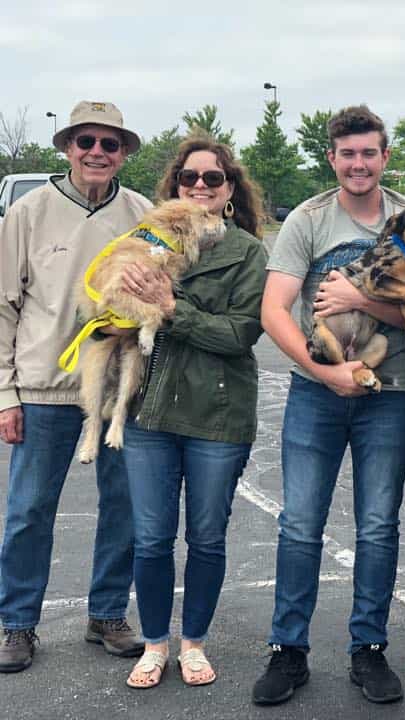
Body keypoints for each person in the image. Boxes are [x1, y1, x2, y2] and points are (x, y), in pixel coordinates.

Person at [252, 105, 405, 707]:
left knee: (377, 525)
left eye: (369, 152)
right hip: (315, 392)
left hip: (391, 392)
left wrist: (361, 300)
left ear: (384, 156)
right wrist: (324, 370)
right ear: (332, 158)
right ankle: (287, 650)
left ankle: (368, 647)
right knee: (300, 523)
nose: (358, 163)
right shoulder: (309, 218)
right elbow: (274, 309)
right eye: (348, 154)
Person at [0, 101, 150, 673]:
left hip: (120, 393)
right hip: (46, 390)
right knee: (28, 513)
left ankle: (107, 614)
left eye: (110, 144)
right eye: (86, 141)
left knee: (125, 510)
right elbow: (4, 307)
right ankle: (17, 623)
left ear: (123, 153)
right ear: (67, 147)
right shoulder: (28, 212)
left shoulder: (142, 214)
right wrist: (5, 395)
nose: (97, 152)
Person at [118, 136, 268, 688]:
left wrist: (171, 308)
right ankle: (155, 644)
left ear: (230, 190)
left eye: (213, 177)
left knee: (206, 538)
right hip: (149, 412)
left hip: (218, 416)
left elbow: (239, 333)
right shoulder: (147, 242)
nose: (200, 185)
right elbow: (114, 317)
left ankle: (194, 643)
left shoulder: (248, 253)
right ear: (175, 185)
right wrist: (119, 304)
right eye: (189, 177)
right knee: (151, 539)